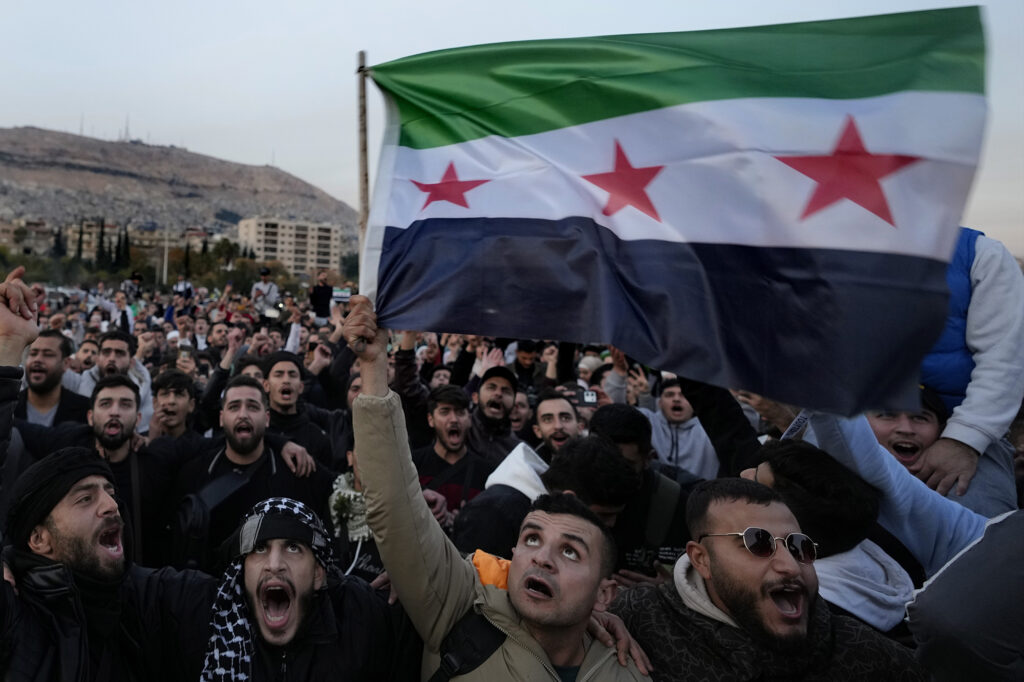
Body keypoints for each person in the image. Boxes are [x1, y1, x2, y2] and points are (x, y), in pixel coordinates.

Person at [343, 295, 648, 680]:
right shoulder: (461, 607)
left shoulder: (629, 671)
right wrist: (373, 368)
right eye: (532, 539)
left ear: (605, 591)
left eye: (570, 551)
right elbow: (394, 503)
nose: (542, 558)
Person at [0, 267, 215, 680]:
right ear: (38, 537)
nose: (110, 506)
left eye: (109, 492)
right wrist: (9, 347)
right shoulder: (16, 619)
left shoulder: (154, 601)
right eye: (84, 498)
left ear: (140, 416)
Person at [611, 478, 926, 681]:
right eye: (757, 543)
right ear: (701, 559)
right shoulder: (636, 620)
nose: (789, 566)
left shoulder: (866, 656)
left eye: (798, 546)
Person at [200, 497, 418, 681]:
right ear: (242, 572)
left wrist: (418, 579)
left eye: (293, 548)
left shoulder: (363, 618)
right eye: (259, 548)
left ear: (317, 574)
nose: (275, 564)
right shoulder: (203, 616)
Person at [411, 385, 495, 514]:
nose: (454, 419)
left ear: (470, 419)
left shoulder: (489, 474)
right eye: (445, 412)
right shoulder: (411, 465)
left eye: (460, 412)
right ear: (431, 419)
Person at [15, 329, 89, 426]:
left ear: (66, 363)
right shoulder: (8, 407)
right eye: (33, 354)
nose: (38, 359)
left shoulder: (85, 410)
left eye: (48, 355)